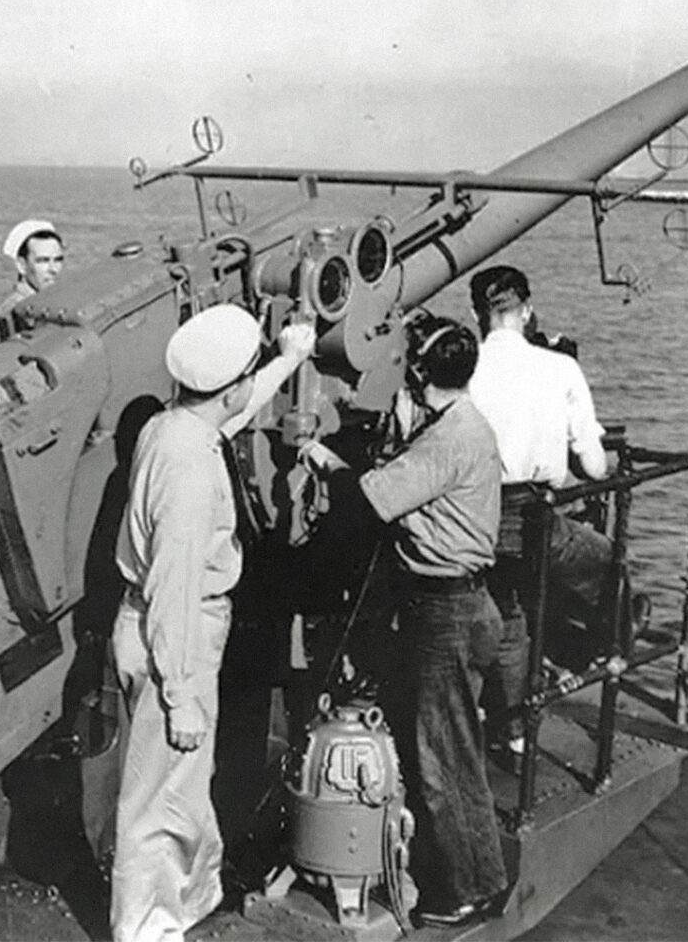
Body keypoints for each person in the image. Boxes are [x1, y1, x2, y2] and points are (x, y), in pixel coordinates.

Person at [110, 305, 314, 942]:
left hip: (158, 625)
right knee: (157, 799)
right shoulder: (193, 472)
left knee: (180, 787)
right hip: (176, 634)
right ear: (228, 388)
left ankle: (184, 906)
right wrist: (180, 695)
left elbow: (232, 414)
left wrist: (289, 358)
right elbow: (173, 585)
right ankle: (144, 930)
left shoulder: (171, 426)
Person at [301, 316, 508, 928]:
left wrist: (320, 458)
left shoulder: (448, 440)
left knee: (445, 757)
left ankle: (473, 889)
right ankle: (469, 875)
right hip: (453, 604)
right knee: (449, 749)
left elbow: (370, 500)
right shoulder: (461, 422)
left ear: (418, 373)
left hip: (447, 612)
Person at [466, 265, 641, 689]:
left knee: (509, 610)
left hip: (472, 520)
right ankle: (611, 652)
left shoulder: (462, 369)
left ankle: (512, 709)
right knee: (609, 560)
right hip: (534, 524)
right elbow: (595, 468)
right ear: (527, 312)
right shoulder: (560, 369)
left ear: (474, 314)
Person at [0, 218, 65, 339]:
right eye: (43, 261)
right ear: (22, 265)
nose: (53, 269)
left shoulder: (51, 302)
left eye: (58, 260)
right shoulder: (16, 310)